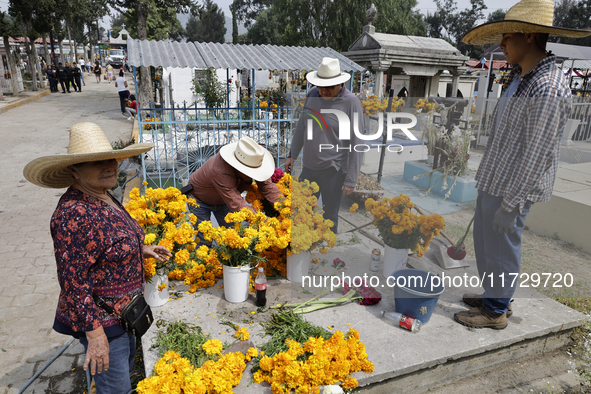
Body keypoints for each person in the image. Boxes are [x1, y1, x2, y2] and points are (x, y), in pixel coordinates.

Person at [454, 0, 591, 329]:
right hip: (496, 177)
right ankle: (494, 295)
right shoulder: (520, 77)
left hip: (514, 186)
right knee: (486, 243)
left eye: (507, 37)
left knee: (502, 243)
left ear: (529, 36)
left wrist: (512, 203)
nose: (501, 45)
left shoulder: (547, 87)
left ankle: (496, 311)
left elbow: (537, 153)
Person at [23, 122, 170, 393]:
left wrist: (142, 250)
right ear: (74, 171)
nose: (109, 166)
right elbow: (73, 282)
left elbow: (106, 246)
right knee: (115, 388)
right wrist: (96, 335)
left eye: (111, 159)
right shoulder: (73, 214)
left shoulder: (104, 194)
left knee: (123, 373)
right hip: (103, 320)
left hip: (125, 313)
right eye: (96, 162)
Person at [284, 57, 364, 232]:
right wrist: (292, 155)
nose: (323, 91)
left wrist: (351, 179)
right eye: (321, 86)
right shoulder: (313, 94)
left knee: (329, 217)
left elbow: (357, 143)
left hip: (333, 171)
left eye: (329, 87)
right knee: (302, 212)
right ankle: (304, 253)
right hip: (309, 167)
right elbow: (302, 126)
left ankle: (328, 255)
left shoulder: (351, 102)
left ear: (340, 85)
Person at [187, 136, 281, 241]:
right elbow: (237, 205)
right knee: (204, 239)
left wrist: (286, 210)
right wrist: (269, 222)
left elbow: (268, 187)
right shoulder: (220, 171)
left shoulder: (253, 160)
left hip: (223, 201)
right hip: (199, 200)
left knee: (233, 236)